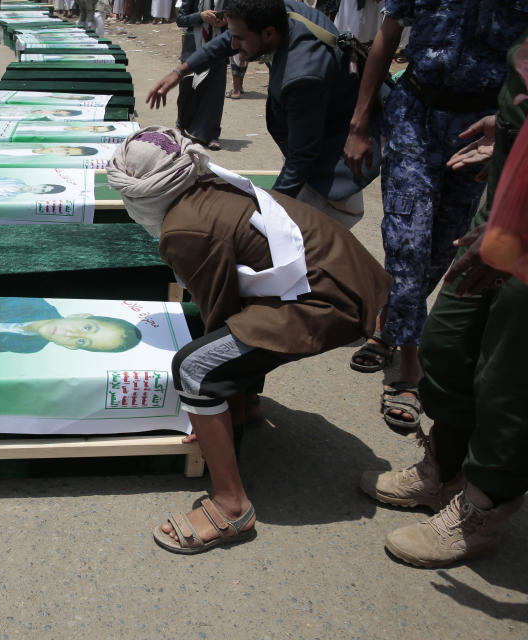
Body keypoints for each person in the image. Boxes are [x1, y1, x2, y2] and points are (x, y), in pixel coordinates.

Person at [107, 127, 390, 554]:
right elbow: (239, 298)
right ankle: (243, 411)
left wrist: (209, 404)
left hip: (330, 298)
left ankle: (230, 506)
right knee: (221, 352)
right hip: (342, 277)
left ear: (143, 192)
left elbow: (220, 315)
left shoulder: (184, 229)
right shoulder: (207, 180)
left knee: (194, 368)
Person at [359, 30, 528, 568]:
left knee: (510, 376)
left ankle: (484, 508)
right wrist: (508, 133)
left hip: (520, 223)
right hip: (502, 191)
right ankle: (444, 472)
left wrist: (513, 227)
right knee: (449, 341)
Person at [343, 2, 528, 432]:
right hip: (415, 114)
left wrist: (511, 128)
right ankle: (410, 370)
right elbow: (387, 38)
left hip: (482, 127)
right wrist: (359, 123)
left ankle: (389, 323)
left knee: (447, 242)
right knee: (408, 239)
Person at [147, 0, 376, 228]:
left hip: (332, 153)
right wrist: (180, 71)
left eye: (240, 39)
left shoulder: (302, 75)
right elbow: (229, 40)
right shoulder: (274, 12)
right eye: (233, 35)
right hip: (312, 131)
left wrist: (264, 212)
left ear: (268, 33)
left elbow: (301, 158)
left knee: (310, 235)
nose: (234, 45)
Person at [0, 296, 142, 362]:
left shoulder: (32, 346)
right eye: (86, 327)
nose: (72, 335)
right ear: (80, 315)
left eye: (82, 342)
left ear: (71, 347)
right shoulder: (33, 303)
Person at [175, 0, 228, 150]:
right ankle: (182, 125)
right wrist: (201, 16)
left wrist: (225, 21)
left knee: (215, 93)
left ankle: (211, 134)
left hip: (219, 46)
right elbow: (181, 20)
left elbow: (237, 18)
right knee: (187, 89)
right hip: (194, 48)